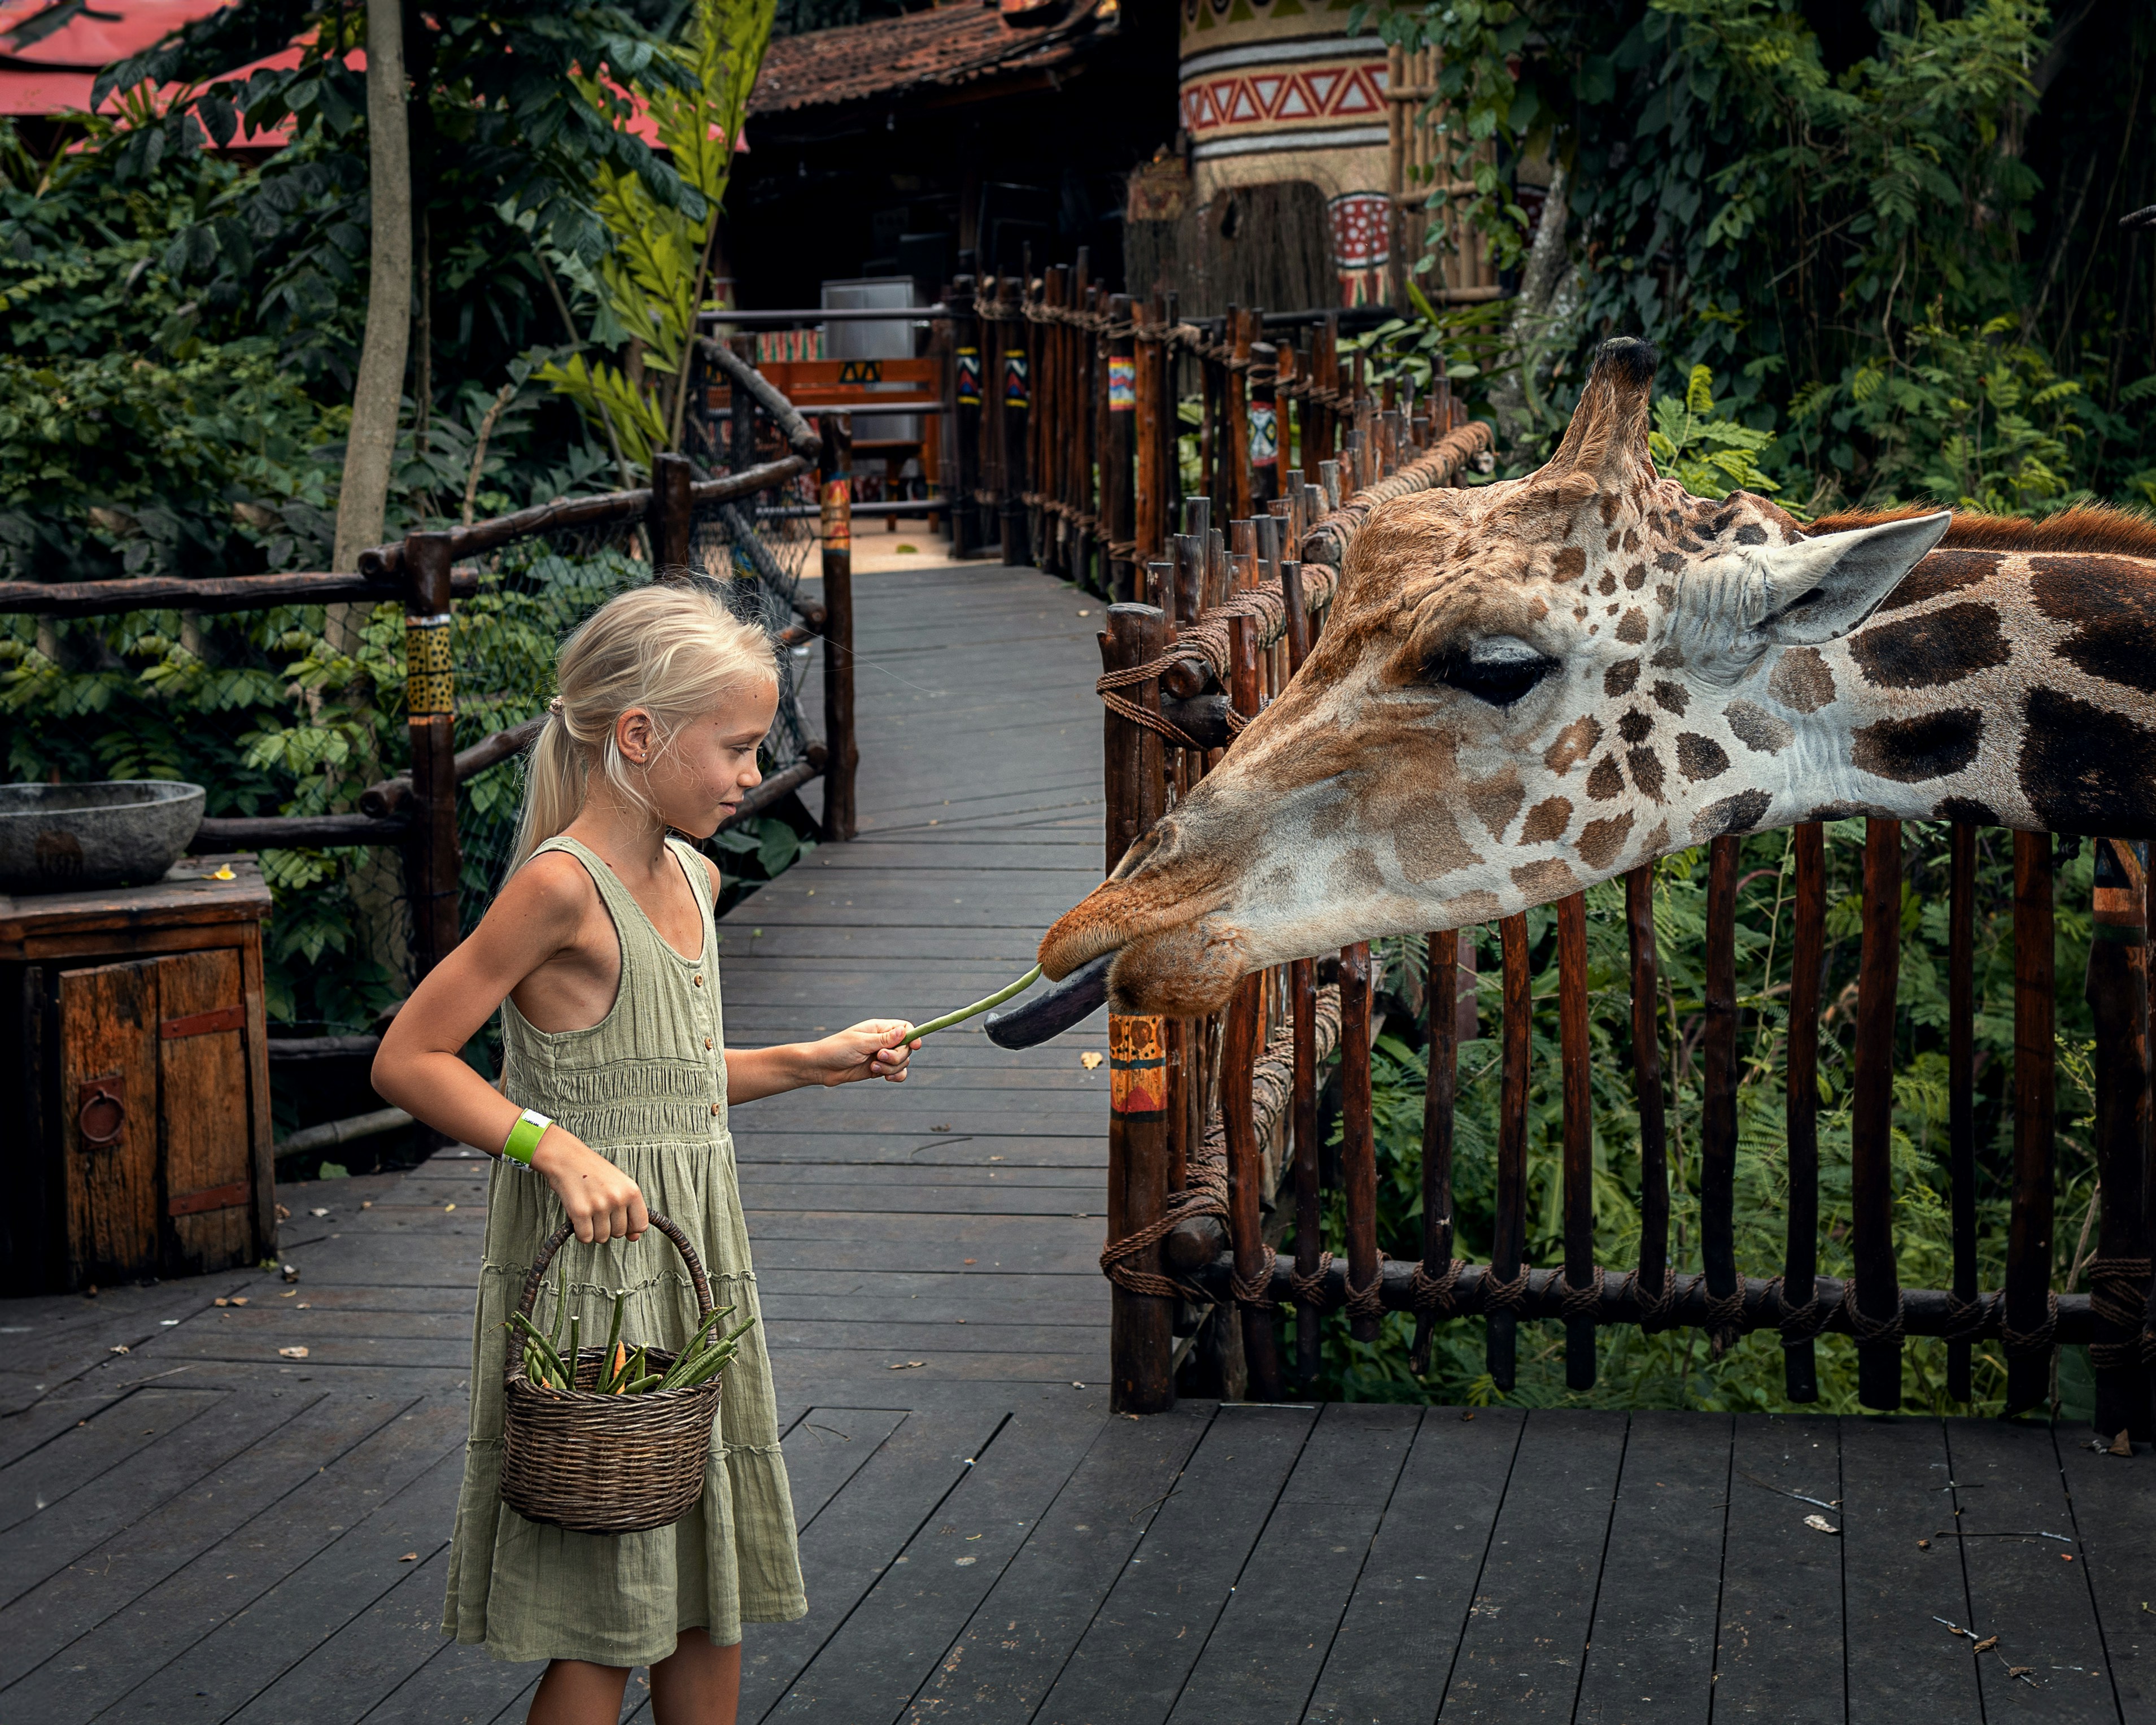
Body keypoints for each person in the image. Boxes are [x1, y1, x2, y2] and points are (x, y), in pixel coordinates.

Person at [373, 582, 916, 1724]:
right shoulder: (560, 889)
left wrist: (811, 1059)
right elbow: (410, 1058)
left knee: (703, 1589)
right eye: (732, 747)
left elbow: (666, 1082)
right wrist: (550, 1148)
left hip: (693, 1267)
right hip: (594, 1280)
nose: (747, 773)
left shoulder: (697, 878)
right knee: (608, 1611)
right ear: (637, 736)